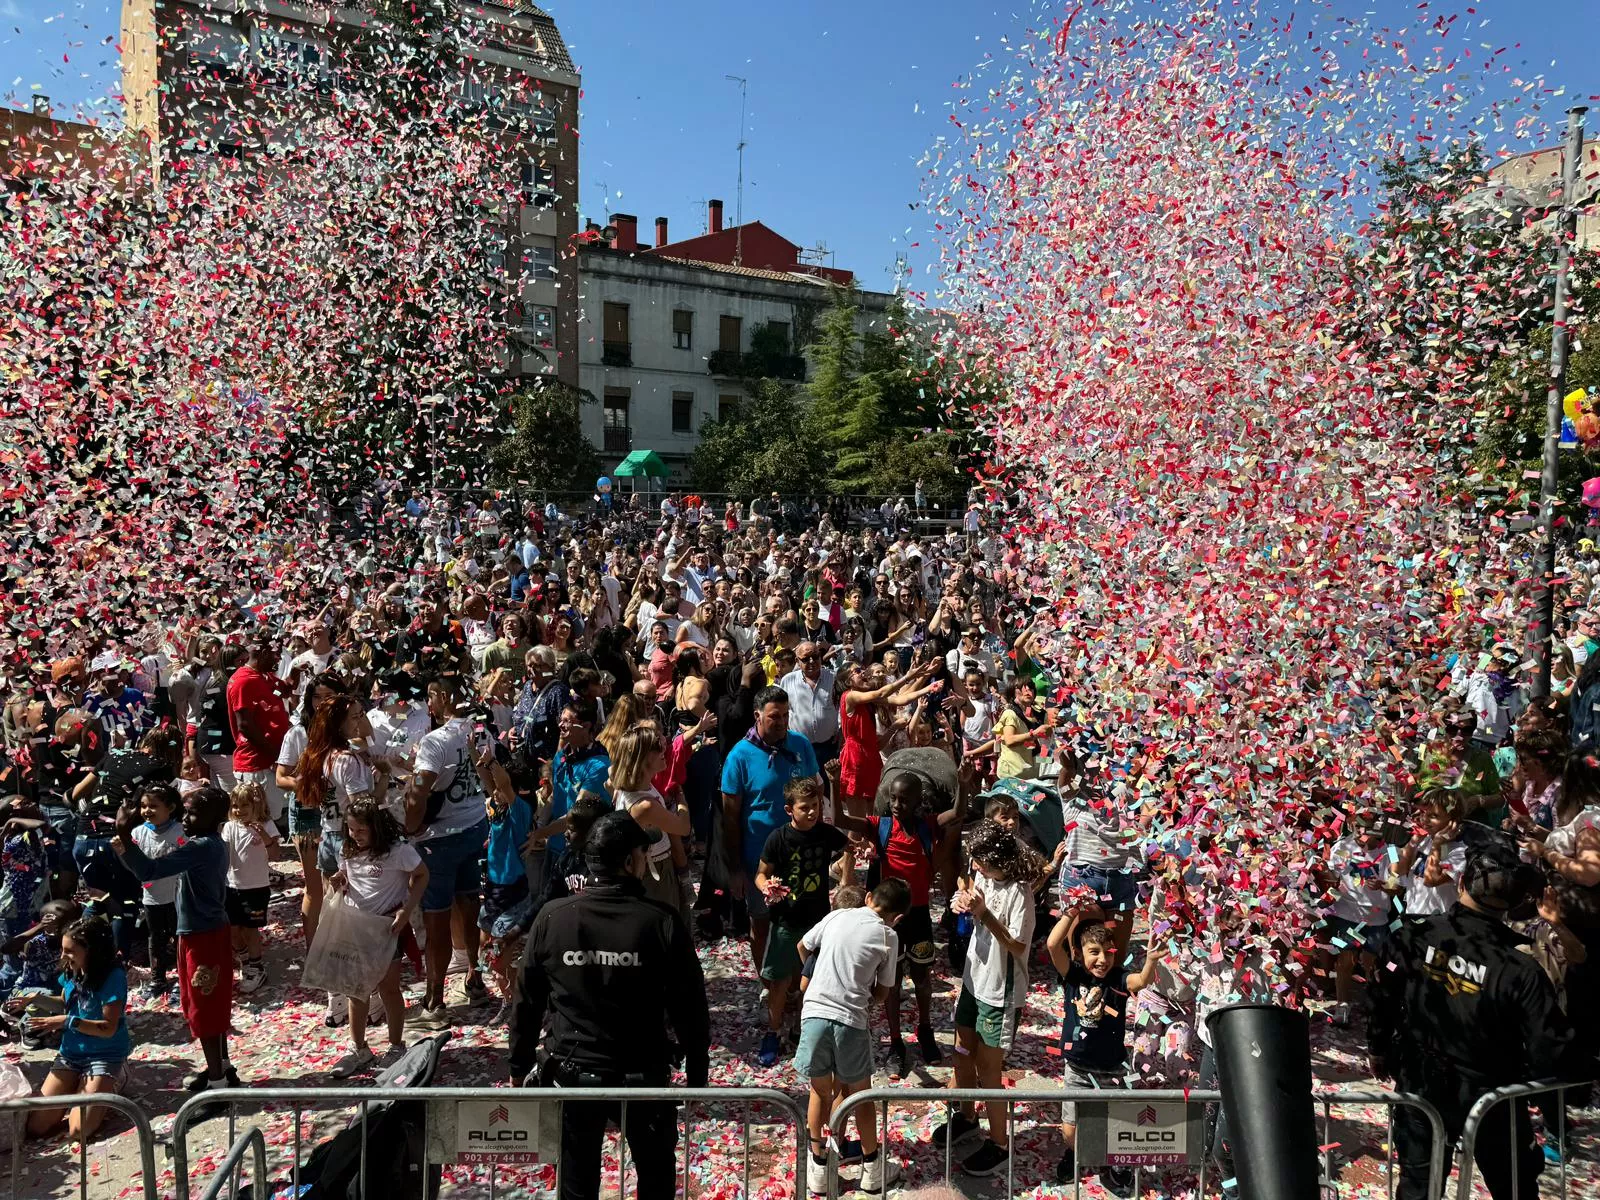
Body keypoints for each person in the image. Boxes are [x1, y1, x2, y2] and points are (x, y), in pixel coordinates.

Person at [508, 812, 710, 1200]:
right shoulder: (660, 922)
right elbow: (690, 1006)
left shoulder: (554, 918)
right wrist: (697, 1074)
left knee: (576, 1182)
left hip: (573, 1074)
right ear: (631, 861)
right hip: (641, 1076)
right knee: (654, 1178)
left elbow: (526, 998)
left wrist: (518, 1064)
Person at [1370, 842, 1579, 1200]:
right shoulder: (1520, 969)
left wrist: (1378, 1046)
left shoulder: (1415, 937)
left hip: (1456, 1091)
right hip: (1484, 1095)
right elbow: (1550, 1046)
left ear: (1462, 883)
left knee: (1422, 1187)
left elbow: (1383, 993)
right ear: (1514, 905)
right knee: (1511, 1187)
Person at [932, 820, 1046, 1178]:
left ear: (997, 858)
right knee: (962, 1053)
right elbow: (971, 900)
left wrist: (985, 915)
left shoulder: (1021, 893)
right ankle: (967, 1116)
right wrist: (960, 903)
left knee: (989, 1070)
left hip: (1000, 991)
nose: (975, 867)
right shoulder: (982, 877)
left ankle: (999, 1144)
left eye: (980, 860)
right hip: (972, 981)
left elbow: (1017, 945)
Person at [836, 771, 964, 1075]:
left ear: (918, 801)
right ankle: (895, 1041)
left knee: (922, 977)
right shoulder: (878, 827)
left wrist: (962, 783)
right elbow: (841, 821)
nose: (896, 804)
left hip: (918, 915)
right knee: (889, 982)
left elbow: (959, 813)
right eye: (892, 798)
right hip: (887, 920)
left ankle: (925, 1029)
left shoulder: (927, 826)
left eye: (904, 799)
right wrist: (832, 783)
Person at [113, 784, 238, 1092]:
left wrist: (124, 833)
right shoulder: (208, 843)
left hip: (203, 937)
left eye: (192, 813)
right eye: (184, 812)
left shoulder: (201, 847)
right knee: (205, 1005)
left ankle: (219, 1085)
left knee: (204, 1010)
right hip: (198, 933)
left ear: (213, 818)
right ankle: (220, 1067)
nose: (184, 819)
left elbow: (150, 870)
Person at [795, 877, 911, 1198]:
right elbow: (884, 990)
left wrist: (821, 977)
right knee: (860, 1096)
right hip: (850, 1020)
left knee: (819, 1091)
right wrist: (864, 996)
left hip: (814, 1013)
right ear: (897, 916)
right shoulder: (888, 935)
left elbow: (803, 945)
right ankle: (872, 1168)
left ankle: (819, 1168)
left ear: (869, 896)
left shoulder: (835, 916)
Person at [405, 674, 510, 1029]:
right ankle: (473, 977)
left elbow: (419, 792)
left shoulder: (435, 742)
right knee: (469, 905)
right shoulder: (480, 732)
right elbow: (489, 778)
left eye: (430, 697)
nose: (428, 705)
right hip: (475, 826)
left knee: (436, 919)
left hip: (440, 838)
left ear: (442, 696)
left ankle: (434, 998)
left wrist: (410, 826)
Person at [1045, 915, 1163, 1192]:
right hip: (1077, 1068)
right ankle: (1073, 1154)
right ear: (1078, 954)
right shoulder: (1073, 976)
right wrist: (1070, 913)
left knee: (1115, 1121)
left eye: (1107, 952)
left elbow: (1140, 981)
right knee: (1070, 1128)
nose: (1102, 959)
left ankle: (1113, 1162)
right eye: (1093, 952)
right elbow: (1052, 945)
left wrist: (1151, 960)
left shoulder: (1118, 979)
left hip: (1112, 1067)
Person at [720, 687, 821, 978]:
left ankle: (796, 984)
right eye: (774, 717)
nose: (782, 722)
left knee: (803, 923)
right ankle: (768, 981)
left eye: (786, 715)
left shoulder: (800, 745)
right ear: (757, 716)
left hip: (801, 855)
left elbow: (814, 792)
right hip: (759, 860)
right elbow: (730, 817)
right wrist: (736, 868)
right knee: (763, 923)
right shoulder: (739, 756)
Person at [754, 777, 851, 1067]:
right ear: (789, 810)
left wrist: (845, 877)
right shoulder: (778, 838)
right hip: (786, 921)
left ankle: (800, 1028)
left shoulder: (825, 833)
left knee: (810, 981)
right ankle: (773, 1032)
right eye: (805, 807)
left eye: (816, 806)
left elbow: (849, 847)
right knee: (779, 982)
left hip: (817, 922)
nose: (812, 812)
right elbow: (760, 873)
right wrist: (765, 886)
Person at [327, 796, 427, 1077]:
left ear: (377, 828)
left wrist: (406, 911)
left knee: (388, 988)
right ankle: (359, 1048)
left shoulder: (399, 851)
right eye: (350, 829)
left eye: (361, 830)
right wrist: (338, 880)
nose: (354, 835)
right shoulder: (348, 850)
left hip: (386, 930)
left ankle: (396, 1046)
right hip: (357, 930)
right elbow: (347, 878)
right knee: (355, 990)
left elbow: (421, 875)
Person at [23, 915, 130, 1141]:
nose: (63, 956)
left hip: (103, 1056)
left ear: (91, 950)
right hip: (71, 1055)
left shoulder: (113, 976)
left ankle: (117, 1078)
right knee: (36, 1127)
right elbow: (65, 1002)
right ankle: (83, 1088)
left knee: (78, 1131)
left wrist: (66, 1022)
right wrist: (33, 999)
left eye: (70, 951)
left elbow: (108, 1028)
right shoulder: (73, 970)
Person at [226, 637, 290, 825]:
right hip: (257, 764)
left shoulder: (264, 676)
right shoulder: (243, 681)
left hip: (270, 761)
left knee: (270, 820)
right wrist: (274, 754)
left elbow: (283, 691)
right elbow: (244, 724)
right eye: (275, 656)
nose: (278, 660)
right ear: (263, 654)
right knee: (258, 820)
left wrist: (295, 673)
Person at [222, 780, 277, 994]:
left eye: (245, 806)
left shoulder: (266, 825)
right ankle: (244, 958)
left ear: (255, 806)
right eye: (235, 806)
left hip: (256, 887)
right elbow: (226, 855)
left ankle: (256, 966)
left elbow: (274, 855)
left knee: (251, 928)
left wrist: (264, 836)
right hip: (232, 885)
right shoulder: (229, 827)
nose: (239, 810)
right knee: (234, 929)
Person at [130, 783, 183, 1000]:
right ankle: (158, 979)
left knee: (179, 938)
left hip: (176, 897)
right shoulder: (137, 833)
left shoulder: (180, 831)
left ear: (170, 807)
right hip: (151, 898)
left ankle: (183, 979)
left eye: (153, 805)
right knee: (156, 939)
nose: (147, 810)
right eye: (143, 806)